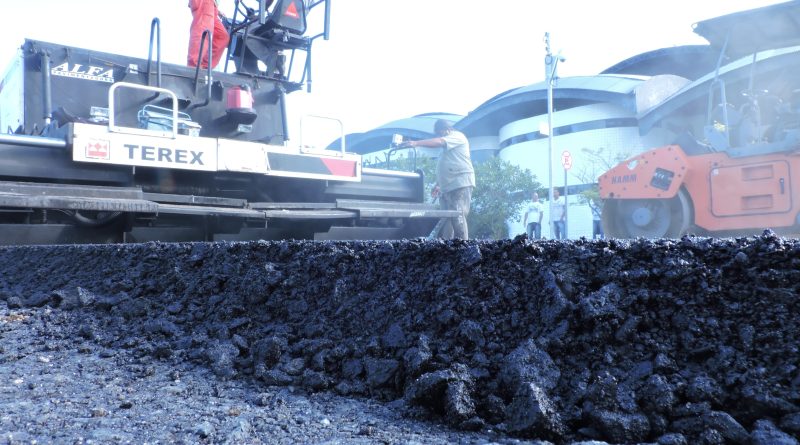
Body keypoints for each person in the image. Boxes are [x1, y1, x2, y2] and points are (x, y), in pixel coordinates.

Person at [400, 119, 475, 239]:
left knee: (457, 214)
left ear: (446, 129)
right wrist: (438, 184)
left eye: (440, 133)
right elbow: (449, 164)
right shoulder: (446, 149)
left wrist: (416, 143)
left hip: (460, 183)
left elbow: (440, 141)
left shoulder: (457, 136)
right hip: (448, 186)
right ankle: (446, 247)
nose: (440, 135)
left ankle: (464, 245)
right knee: (446, 218)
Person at [188, 0, 230, 70]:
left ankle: (205, 68)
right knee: (203, 29)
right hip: (205, 3)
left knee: (221, 36)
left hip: (212, 5)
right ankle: (193, 67)